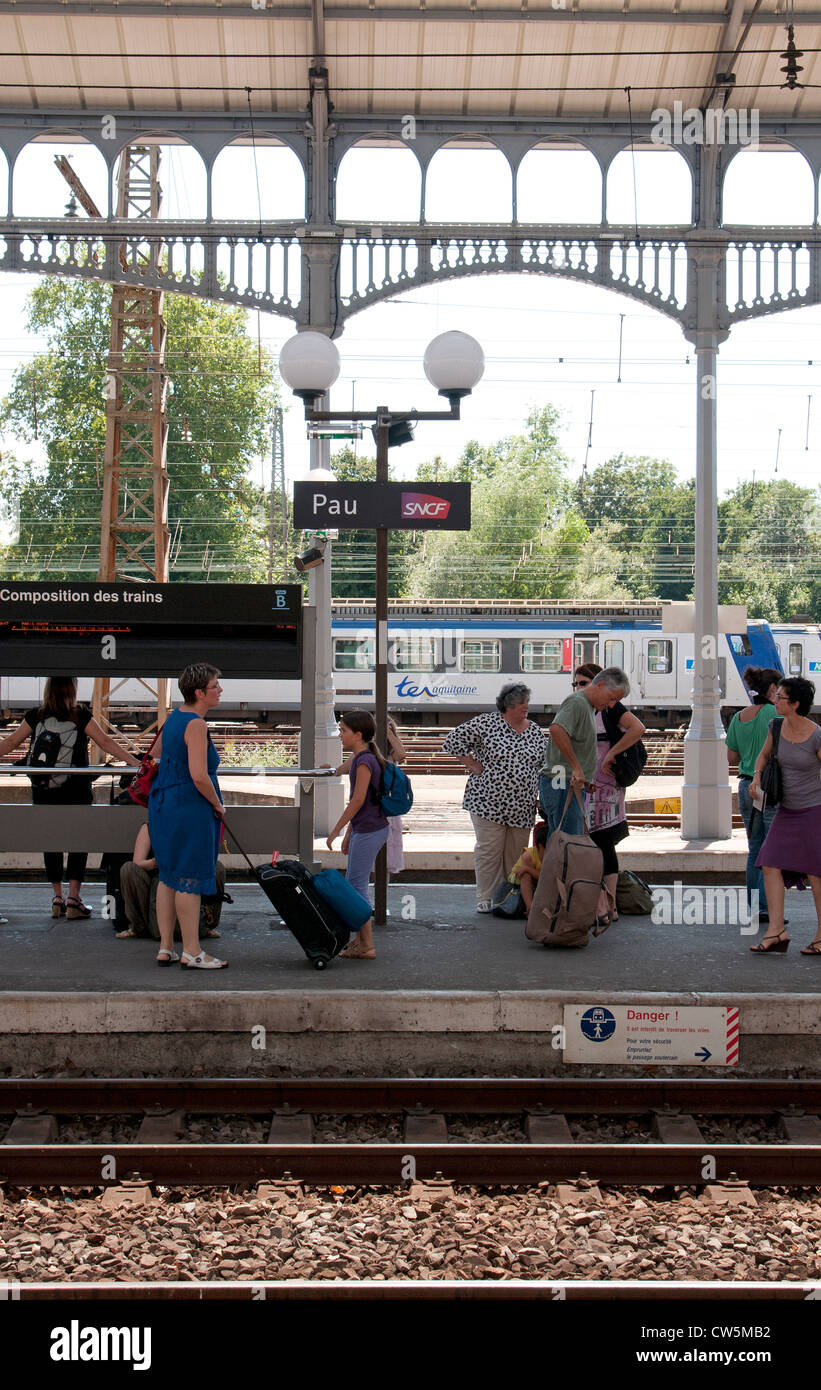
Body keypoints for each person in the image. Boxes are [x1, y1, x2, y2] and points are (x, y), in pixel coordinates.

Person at [0, 676, 141, 919]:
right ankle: (74, 899)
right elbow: (105, 742)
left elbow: (12, 742)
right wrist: (134, 763)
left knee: (50, 840)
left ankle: (57, 897)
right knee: (79, 841)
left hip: (44, 791)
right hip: (76, 790)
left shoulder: (37, 715)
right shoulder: (80, 716)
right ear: (72, 690)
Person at [148, 663, 228, 969]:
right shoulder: (196, 724)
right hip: (189, 808)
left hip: (164, 804)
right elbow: (198, 775)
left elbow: (156, 755)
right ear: (200, 693)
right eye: (215, 686)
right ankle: (192, 951)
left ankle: (166, 947)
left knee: (167, 876)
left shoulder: (174, 718)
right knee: (189, 879)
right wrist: (217, 804)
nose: (220, 690)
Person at [442, 682, 545, 913]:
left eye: (527, 702)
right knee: (489, 850)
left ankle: (510, 895)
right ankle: (486, 896)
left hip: (522, 805)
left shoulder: (535, 731)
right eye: (521, 703)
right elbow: (451, 741)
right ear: (508, 706)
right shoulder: (486, 723)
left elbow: (544, 765)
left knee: (516, 854)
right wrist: (471, 764)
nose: (526, 707)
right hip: (487, 802)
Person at [749, 677, 821, 955]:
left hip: (814, 810)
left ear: (795, 704)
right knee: (769, 863)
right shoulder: (775, 726)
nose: (775, 700)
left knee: (816, 873)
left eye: (780, 697)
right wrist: (756, 777)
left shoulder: (816, 735)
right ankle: (776, 930)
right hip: (786, 811)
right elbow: (764, 756)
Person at [574, 664, 646, 923]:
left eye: (584, 683)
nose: (579, 688)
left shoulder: (610, 706)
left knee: (601, 842)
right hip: (591, 782)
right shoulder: (584, 706)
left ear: (598, 683)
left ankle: (607, 904)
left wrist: (613, 754)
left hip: (605, 783)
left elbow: (638, 729)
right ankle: (606, 904)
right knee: (599, 843)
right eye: (576, 684)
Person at [326, 709, 389, 959]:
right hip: (368, 828)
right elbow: (362, 802)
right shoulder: (364, 756)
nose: (340, 735)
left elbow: (358, 800)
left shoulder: (364, 761)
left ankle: (367, 945)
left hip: (370, 830)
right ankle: (360, 942)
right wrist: (349, 833)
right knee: (355, 885)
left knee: (357, 887)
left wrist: (337, 828)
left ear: (358, 734)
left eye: (343, 731)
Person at [539, 667, 630, 837]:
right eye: (611, 698)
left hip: (568, 783)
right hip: (562, 782)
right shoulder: (578, 702)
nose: (611, 705)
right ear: (600, 685)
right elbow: (557, 730)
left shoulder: (587, 705)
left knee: (565, 841)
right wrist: (577, 768)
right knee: (567, 842)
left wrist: (585, 778)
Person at [725, 666, 783, 924]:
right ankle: (766, 906)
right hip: (770, 786)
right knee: (772, 848)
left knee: (754, 848)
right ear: (772, 689)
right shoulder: (774, 714)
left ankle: (754, 904)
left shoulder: (739, 717)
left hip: (746, 786)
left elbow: (732, 757)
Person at [116, 821, 225, 941]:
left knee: (216, 868)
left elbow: (205, 858)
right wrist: (156, 862)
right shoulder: (149, 827)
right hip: (155, 878)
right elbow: (138, 862)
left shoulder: (195, 822)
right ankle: (138, 927)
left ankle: (206, 924)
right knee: (129, 869)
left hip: (189, 875)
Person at [509, 819, 549, 913]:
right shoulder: (528, 855)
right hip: (518, 877)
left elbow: (546, 878)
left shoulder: (553, 856)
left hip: (536, 876)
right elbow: (525, 873)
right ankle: (530, 908)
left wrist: (527, 868)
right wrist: (527, 869)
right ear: (540, 846)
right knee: (526, 876)